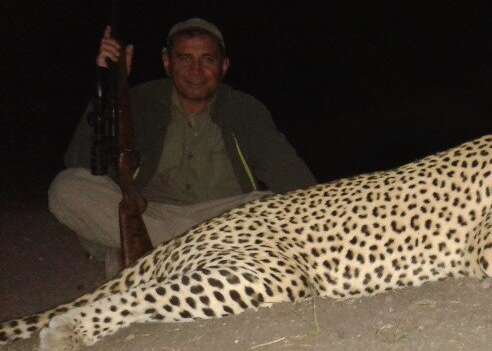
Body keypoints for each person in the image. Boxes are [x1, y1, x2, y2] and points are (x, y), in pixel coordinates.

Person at [49, 18, 316, 276]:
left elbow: (291, 175)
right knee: (66, 187)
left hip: (226, 218)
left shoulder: (246, 110)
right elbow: (81, 161)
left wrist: (321, 218)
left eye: (207, 60)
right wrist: (109, 92)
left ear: (224, 66)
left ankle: (147, 256)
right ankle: (196, 256)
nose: (196, 70)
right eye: (184, 58)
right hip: (150, 213)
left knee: (269, 206)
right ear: (167, 63)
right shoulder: (141, 101)